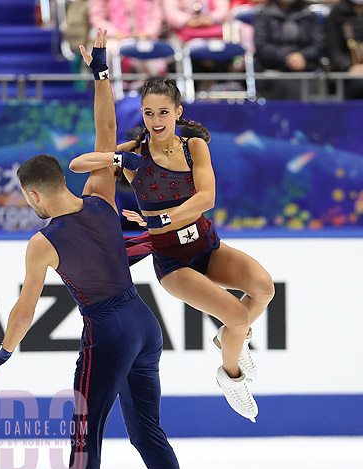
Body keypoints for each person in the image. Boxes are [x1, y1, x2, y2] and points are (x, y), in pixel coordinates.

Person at [0, 31, 200, 469]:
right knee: (147, 431)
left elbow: (25, 310)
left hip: (107, 329)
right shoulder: (100, 198)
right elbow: (105, 128)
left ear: (34, 194)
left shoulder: (43, 241)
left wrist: (3, 351)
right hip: (144, 323)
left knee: (85, 433)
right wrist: (102, 70)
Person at [117, 78, 275, 422]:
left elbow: (206, 198)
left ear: (178, 112)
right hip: (173, 263)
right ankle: (231, 377)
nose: (156, 120)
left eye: (162, 112)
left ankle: (227, 341)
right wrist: (110, 153)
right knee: (237, 316)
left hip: (207, 246)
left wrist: (160, 218)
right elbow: (80, 164)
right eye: (148, 113)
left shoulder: (194, 147)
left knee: (264, 288)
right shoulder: (132, 155)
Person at [254, 0, 324, 99]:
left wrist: (302, 56)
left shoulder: (310, 16)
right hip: (274, 69)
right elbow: (262, 46)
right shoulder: (264, 16)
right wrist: (288, 56)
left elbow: (318, 45)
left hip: (306, 69)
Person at [325, 0, 363, 99]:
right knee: (357, 86)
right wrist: (349, 66)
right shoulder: (337, 14)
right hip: (347, 72)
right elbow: (333, 49)